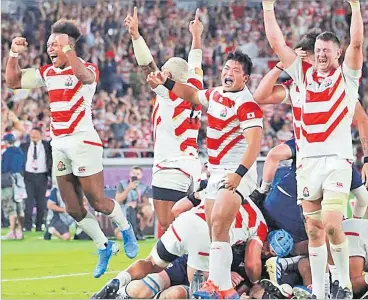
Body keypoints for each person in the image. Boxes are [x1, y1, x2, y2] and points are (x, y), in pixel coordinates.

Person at [5, 19, 138, 278]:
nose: (50, 48)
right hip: (59, 144)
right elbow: (12, 81)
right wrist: (13, 54)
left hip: (83, 141)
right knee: (73, 208)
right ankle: (104, 245)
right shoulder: (47, 73)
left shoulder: (87, 69)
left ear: (70, 45)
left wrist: (68, 51)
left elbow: (84, 76)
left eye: (56, 43)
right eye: (49, 44)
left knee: (97, 201)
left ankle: (125, 229)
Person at [263, 0, 364, 298]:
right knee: (314, 231)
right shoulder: (301, 77)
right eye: (318, 50)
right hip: (307, 166)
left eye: (327, 50)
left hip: (336, 162)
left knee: (333, 225)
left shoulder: (347, 79)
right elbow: (276, 42)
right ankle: (320, 292)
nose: (321, 54)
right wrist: (268, 7)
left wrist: (356, 7)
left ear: (337, 53)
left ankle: (343, 284)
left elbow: (357, 42)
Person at [147, 49, 264, 298]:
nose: (228, 73)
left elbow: (255, 144)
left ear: (245, 79)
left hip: (237, 173)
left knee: (219, 221)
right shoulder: (216, 95)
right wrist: (166, 82)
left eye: (235, 70)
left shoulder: (247, 105)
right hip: (216, 173)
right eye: (226, 68)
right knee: (215, 230)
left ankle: (217, 283)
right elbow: (191, 93)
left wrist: (240, 174)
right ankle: (225, 289)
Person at [253, 29, 368, 219]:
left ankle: (354, 230)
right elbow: (260, 96)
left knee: (362, 197)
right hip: (305, 147)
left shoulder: (337, 86)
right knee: (274, 155)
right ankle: (262, 191)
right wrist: (280, 65)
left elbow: (362, 119)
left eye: (311, 60)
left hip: (333, 150)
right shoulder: (295, 85)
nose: (308, 65)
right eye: (303, 61)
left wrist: (366, 158)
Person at [92, 196, 268, 300]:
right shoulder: (259, 221)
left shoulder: (217, 186)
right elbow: (252, 263)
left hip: (184, 223)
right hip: (207, 237)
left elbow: (177, 210)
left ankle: (118, 281)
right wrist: (254, 282)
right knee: (200, 286)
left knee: (151, 263)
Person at [124, 7, 204, 232]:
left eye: (165, 71)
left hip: (170, 168)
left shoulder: (169, 94)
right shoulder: (195, 85)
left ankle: (173, 268)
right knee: (190, 226)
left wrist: (136, 37)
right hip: (193, 167)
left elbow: (146, 66)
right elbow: (195, 60)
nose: (161, 72)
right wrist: (196, 36)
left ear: (168, 76)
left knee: (169, 231)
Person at [20, 127, 52, 232]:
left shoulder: (47, 146)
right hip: (28, 177)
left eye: (36, 133)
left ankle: (39, 226)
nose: (33, 135)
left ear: (41, 135)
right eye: (32, 133)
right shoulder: (24, 146)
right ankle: (27, 226)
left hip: (42, 176)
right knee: (28, 203)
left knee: (41, 203)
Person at [115, 166, 151, 240]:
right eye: (133, 173)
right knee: (121, 237)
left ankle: (138, 231)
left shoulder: (143, 187)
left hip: (136, 212)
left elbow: (147, 203)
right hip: (124, 212)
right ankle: (123, 231)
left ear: (141, 176)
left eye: (138, 174)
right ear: (130, 174)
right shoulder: (123, 184)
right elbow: (118, 200)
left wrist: (136, 205)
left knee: (148, 210)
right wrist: (128, 188)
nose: (135, 175)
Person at [1, 133, 26, 240]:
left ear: (6, 142)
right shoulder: (20, 152)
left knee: (10, 207)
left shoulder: (6, 153)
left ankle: (12, 231)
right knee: (20, 207)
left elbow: (4, 168)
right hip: (20, 181)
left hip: (8, 181)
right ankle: (20, 231)